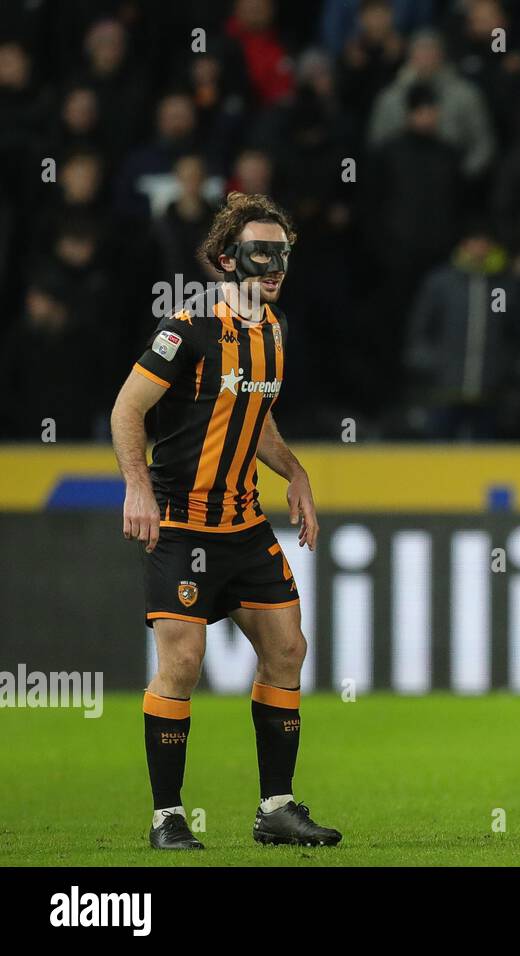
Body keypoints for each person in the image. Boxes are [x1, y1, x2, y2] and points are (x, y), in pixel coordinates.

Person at [110, 192, 341, 850]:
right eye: (258, 253)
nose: (273, 266)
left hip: (243, 525)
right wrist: (136, 486)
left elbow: (254, 416)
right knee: (182, 664)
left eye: (282, 254)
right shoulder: (186, 329)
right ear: (224, 260)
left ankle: (277, 809)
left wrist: (294, 472)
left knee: (287, 650)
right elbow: (127, 410)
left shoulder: (273, 331)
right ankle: (167, 819)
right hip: (180, 524)